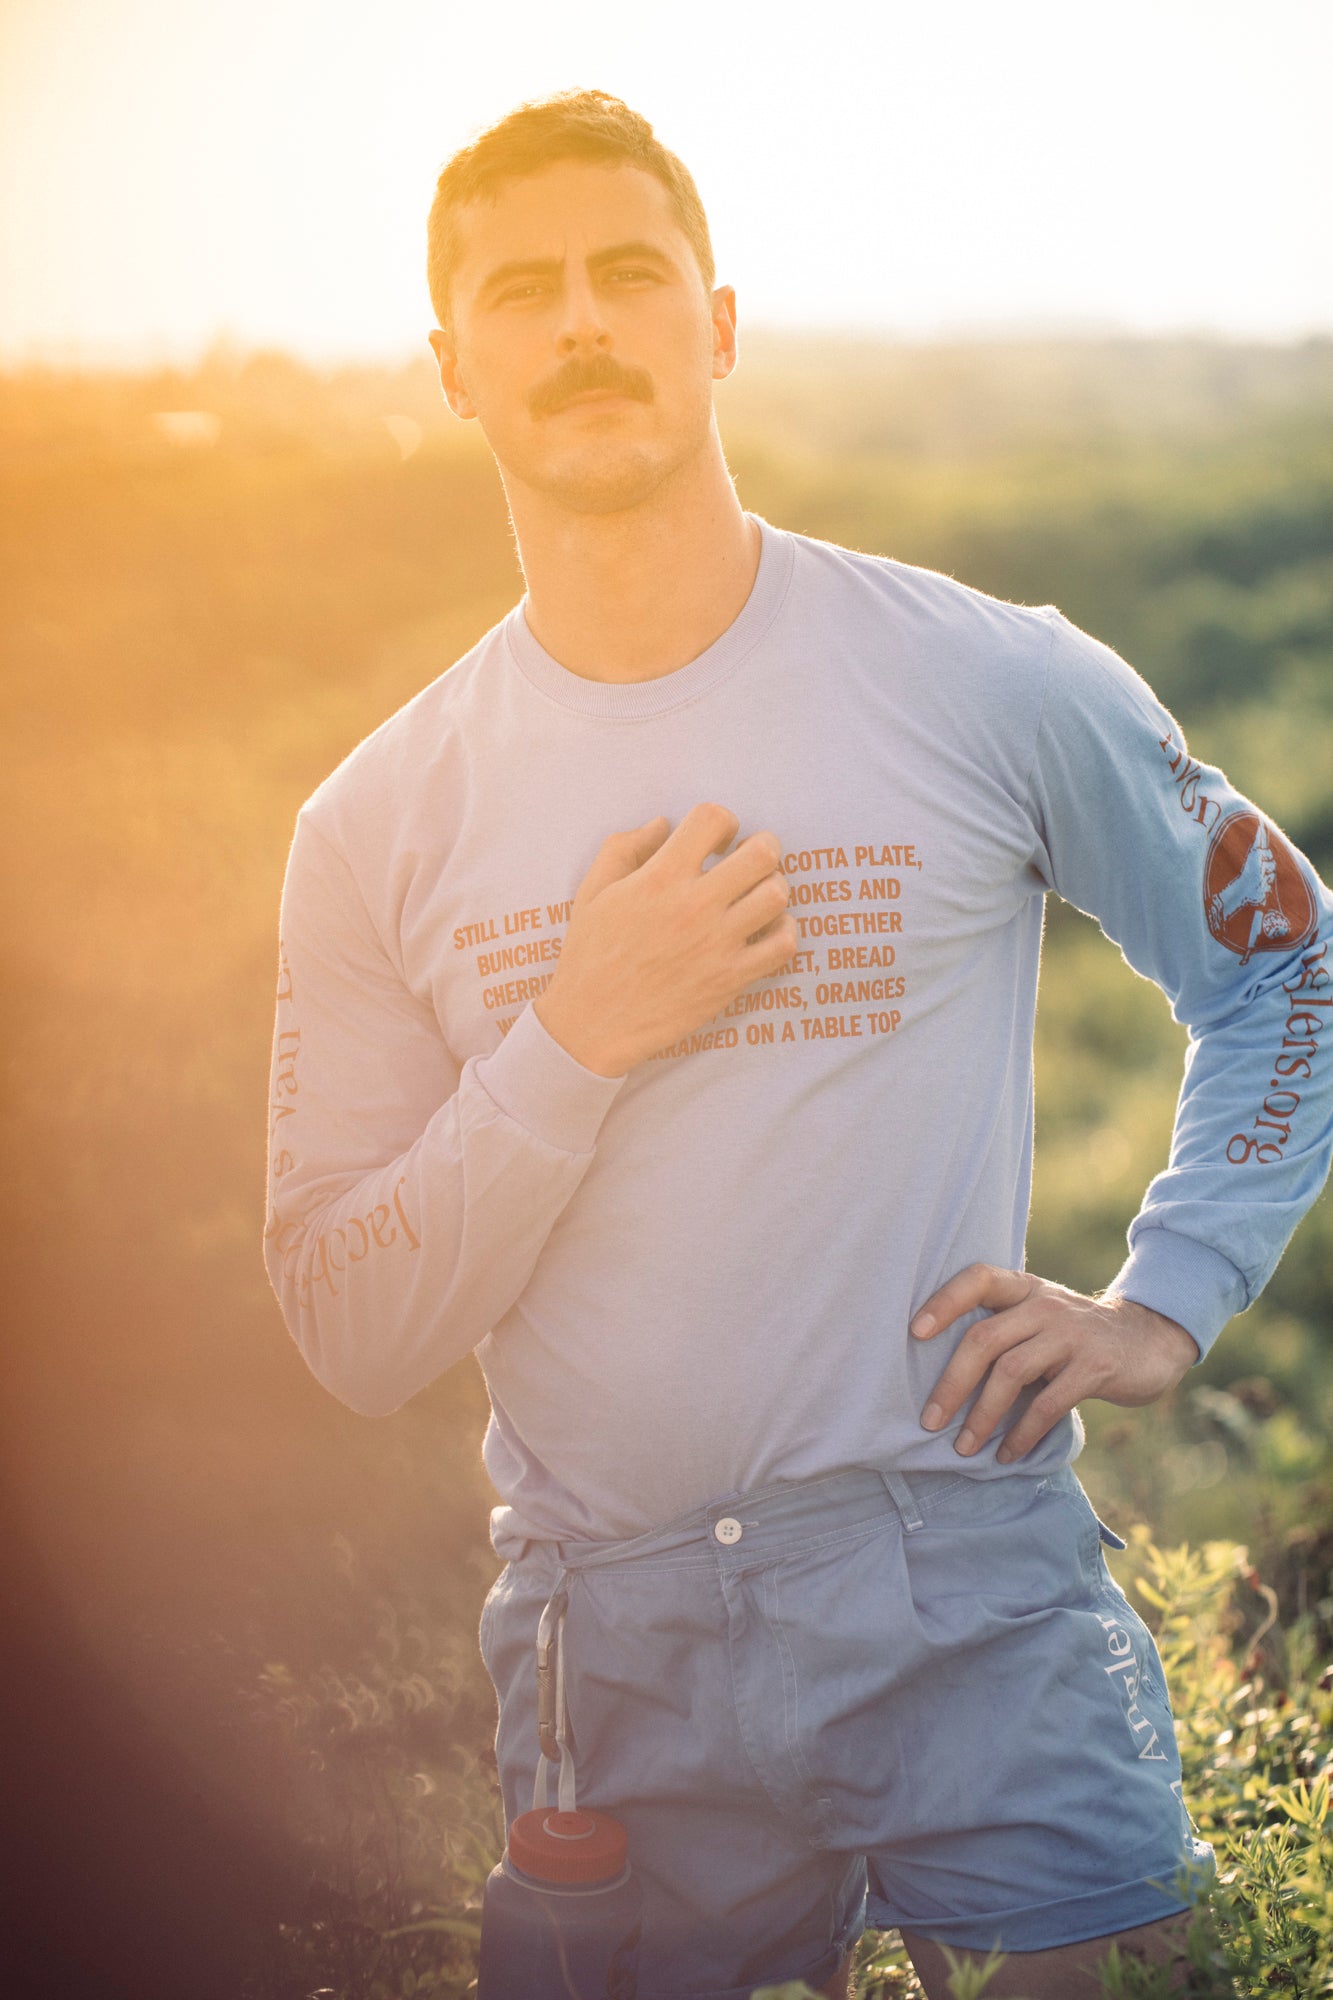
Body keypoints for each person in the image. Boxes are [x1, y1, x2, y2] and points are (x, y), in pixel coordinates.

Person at [263, 88, 1332, 1999]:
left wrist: (1159, 1303)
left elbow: (1296, 971)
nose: (581, 321)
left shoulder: (981, 675)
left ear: (719, 321)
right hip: (615, 1661)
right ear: (449, 366)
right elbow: (349, 1322)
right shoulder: (375, 825)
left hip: (966, 1599)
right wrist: (575, 1034)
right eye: (523, 292)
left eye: (628, 273)